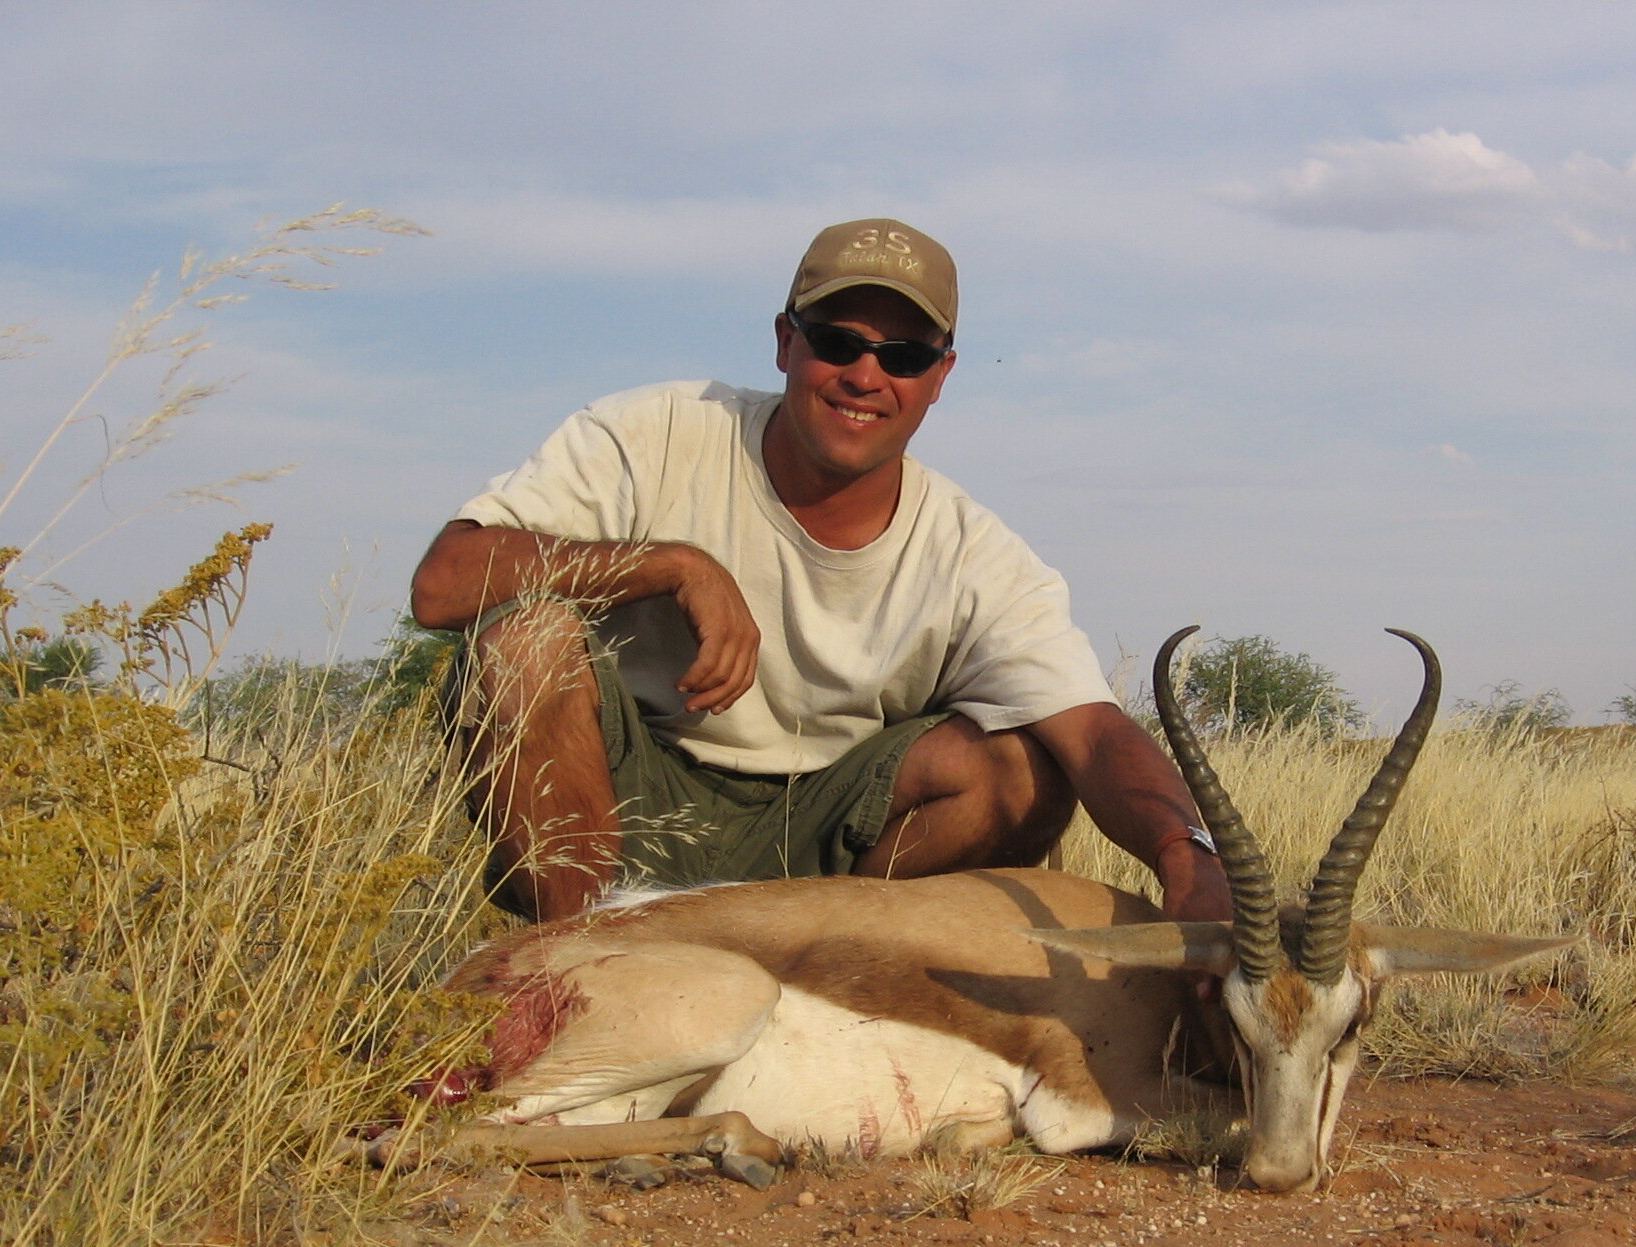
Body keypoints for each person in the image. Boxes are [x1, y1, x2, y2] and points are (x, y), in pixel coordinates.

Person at [410, 217, 1233, 928]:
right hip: (631, 805)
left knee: (1020, 770)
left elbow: (1091, 731)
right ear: (784, 341)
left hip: (829, 836)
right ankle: (576, 962)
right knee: (523, 639)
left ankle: (836, 974)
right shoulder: (654, 431)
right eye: (838, 342)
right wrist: (668, 565)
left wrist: (1184, 852)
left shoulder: (970, 550)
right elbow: (445, 584)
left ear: (941, 377)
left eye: (904, 355)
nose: (865, 376)